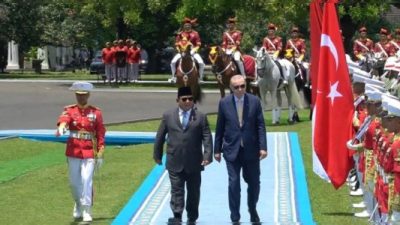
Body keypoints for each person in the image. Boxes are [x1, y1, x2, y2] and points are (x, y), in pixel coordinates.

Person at [153, 86, 213, 224]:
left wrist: (207, 155)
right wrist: (157, 154)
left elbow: (207, 137)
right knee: (177, 190)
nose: (187, 102)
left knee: (193, 192)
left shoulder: (201, 117)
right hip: (175, 159)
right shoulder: (168, 116)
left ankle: (192, 217)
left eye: (190, 99)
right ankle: (177, 215)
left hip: (194, 161)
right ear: (177, 100)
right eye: (184, 99)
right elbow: (160, 136)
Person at [214, 75, 267, 224]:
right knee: (234, 183)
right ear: (231, 88)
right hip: (232, 150)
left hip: (251, 150)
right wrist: (216, 149)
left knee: (254, 183)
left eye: (242, 86)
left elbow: (260, 125)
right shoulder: (224, 103)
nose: (240, 89)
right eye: (236, 87)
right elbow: (220, 127)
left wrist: (263, 147)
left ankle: (252, 208)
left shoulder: (254, 101)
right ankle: (235, 217)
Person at [55, 81, 106, 222]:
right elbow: (65, 119)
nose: (80, 98)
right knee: (74, 182)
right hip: (74, 150)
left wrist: (100, 152)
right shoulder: (70, 110)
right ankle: (77, 203)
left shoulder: (96, 112)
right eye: (78, 95)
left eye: (83, 95)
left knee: (86, 180)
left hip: (89, 151)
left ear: (88, 95)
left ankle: (86, 209)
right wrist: (62, 127)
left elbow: (100, 132)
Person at [169, 17, 205, 83]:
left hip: (192, 51)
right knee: (173, 62)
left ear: (191, 25)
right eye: (185, 25)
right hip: (182, 51)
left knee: (201, 63)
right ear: (183, 26)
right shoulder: (180, 34)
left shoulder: (195, 33)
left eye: (188, 25)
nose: (187, 26)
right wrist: (179, 50)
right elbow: (177, 44)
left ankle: (200, 78)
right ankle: (173, 77)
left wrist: (194, 50)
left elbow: (198, 44)